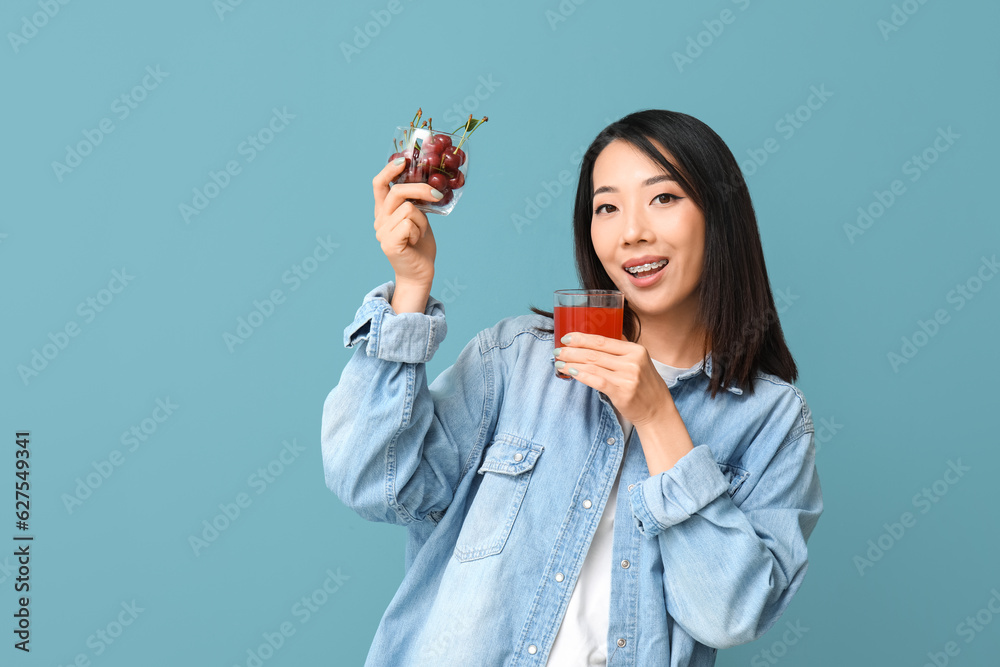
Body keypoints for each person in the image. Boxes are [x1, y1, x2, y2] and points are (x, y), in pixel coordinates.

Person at [321, 109, 823, 666]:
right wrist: (411, 288)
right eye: (606, 207)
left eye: (664, 198)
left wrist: (658, 419)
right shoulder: (516, 362)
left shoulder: (772, 421)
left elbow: (728, 615)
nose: (632, 232)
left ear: (719, 215)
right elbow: (373, 481)